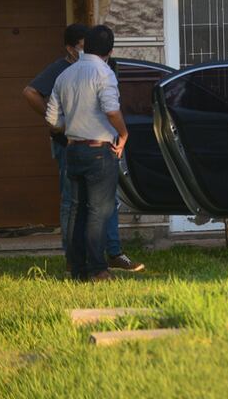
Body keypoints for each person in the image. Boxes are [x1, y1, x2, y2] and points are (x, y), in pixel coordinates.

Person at [23, 26, 143, 273]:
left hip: (73, 148)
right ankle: (98, 268)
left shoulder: (66, 74)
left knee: (77, 210)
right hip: (99, 149)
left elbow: (52, 119)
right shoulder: (104, 73)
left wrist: (70, 127)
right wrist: (123, 134)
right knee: (99, 210)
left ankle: (77, 266)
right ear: (110, 51)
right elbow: (111, 110)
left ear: (85, 47)